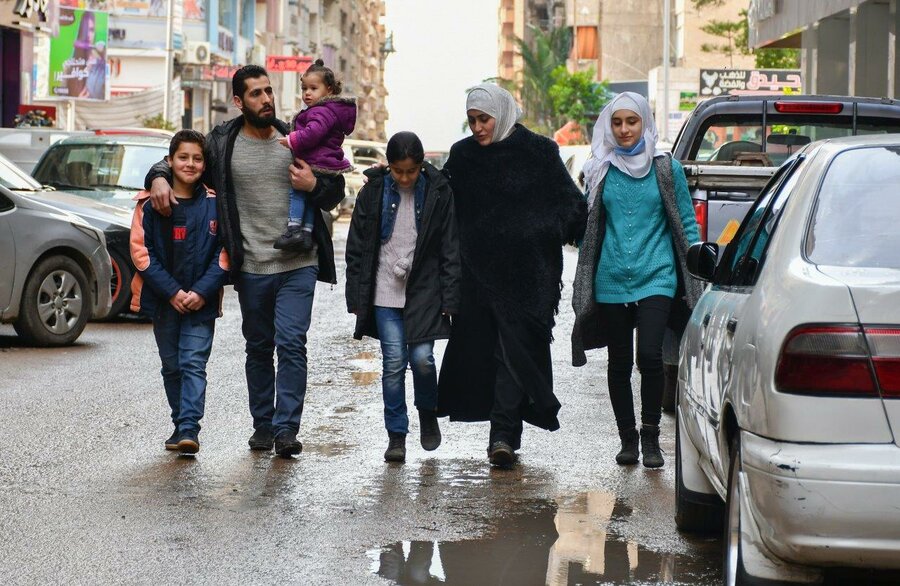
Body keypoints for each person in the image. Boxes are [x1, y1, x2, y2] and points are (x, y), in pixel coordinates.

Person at [144, 65, 345, 458]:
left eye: (268, 91)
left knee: (291, 343)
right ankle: (263, 425)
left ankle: (287, 429)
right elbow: (183, 159)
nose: (266, 99)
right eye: (255, 93)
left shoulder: (296, 138)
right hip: (251, 266)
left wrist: (315, 186)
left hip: (298, 263)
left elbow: (333, 185)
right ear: (239, 101)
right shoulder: (222, 143)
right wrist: (157, 177)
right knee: (258, 346)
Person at [436, 84, 587, 468]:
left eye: (483, 119)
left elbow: (570, 204)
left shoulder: (539, 152)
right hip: (479, 276)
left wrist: (556, 228)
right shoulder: (464, 156)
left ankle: (502, 435)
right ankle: (503, 434)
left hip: (528, 277)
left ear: (501, 115)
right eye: (471, 121)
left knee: (514, 353)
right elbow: (440, 197)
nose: (477, 128)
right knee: (490, 353)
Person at [571, 92, 702, 468]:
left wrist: (695, 257)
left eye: (632, 121)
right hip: (611, 278)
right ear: (609, 127)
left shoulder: (665, 167)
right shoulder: (599, 169)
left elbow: (686, 219)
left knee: (650, 356)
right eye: (617, 122)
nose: (625, 129)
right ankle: (627, 439)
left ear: (644, 122)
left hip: (657, 275)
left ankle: (651, 438)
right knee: (619, 362)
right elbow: (589, 225)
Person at [345, 132, 460, 463]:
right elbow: (357, 245)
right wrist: (356, 295)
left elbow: (450, 246)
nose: (406, 178)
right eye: (399, 171)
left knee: (423, 359)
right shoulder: (373, 191)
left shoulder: (440, 192)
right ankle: (396, 435)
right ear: (390, 167)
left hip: (426, 291)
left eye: (411, 171)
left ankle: (427, 411)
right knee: (393, 363)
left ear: (421, 166)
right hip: (384, 291)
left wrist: (451, 298)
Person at [130, 130, 229, 455]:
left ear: (205, 163)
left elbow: (226, 253)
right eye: (183, 157)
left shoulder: (217, 204)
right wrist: (172, 292)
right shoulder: (148, 203)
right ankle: (179, 424)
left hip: (202, 302)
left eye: (197, 158)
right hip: (163, 302)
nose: (190, 164)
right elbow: (141, 253)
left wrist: (201, 291)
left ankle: (189, 428)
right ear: (169, 161)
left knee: (193, 363)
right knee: (171, 365)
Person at [274, 59, 356, 252]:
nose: (307, 93)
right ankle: (307, 231)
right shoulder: (328, 110)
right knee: (311, 198)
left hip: (317, 162)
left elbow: (312, 134)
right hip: (325, 162)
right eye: (304, 88)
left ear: (328, 90)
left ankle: (293, 229)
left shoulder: (321, 111)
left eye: (313, 88)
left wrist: (292, 140)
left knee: (297, 190)